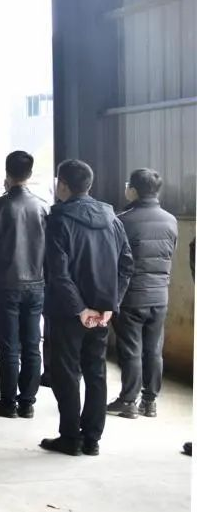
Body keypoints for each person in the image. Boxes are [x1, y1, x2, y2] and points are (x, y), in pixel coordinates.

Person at [40, 159, 133, 456]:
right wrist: (110, 306)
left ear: (63, 185)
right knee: (96, 372)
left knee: (66, 374)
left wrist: (80, 309)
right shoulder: (112, 219)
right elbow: (126, 265)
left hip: (67, 313)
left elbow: (58, 272)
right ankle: (92, 439)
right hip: (101, 313)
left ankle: (70, 438)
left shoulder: (58, 220)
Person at [0, 152, 49, 419]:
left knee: (9, 346)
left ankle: (8, 402)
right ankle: (27, 402)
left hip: (4, 283)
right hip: (36, 283)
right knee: (32, 345)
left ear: (7, 172)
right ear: (29, 174)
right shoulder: (43, 207)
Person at [107, 168, 177, 420]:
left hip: (131, 297)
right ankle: (150, 402)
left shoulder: (122, 220)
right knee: (154, 350)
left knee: (131, 350)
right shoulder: (171, 220)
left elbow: (114, 261)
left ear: (134, 190)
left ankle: (128, 401)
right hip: (160, 296)